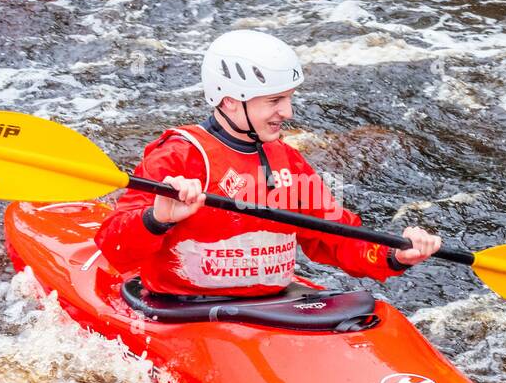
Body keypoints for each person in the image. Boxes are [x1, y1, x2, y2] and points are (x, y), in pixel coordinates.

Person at [95, 30, 442, 298]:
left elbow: (337, 236)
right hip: (183, 308)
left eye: (288, 99)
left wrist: (396, 256)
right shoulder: (179, 156)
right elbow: (114, 249)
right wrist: (157, 218)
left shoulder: (285, 158)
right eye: (275, 100)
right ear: (231, 102)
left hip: (267, 307)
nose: (287, 113)